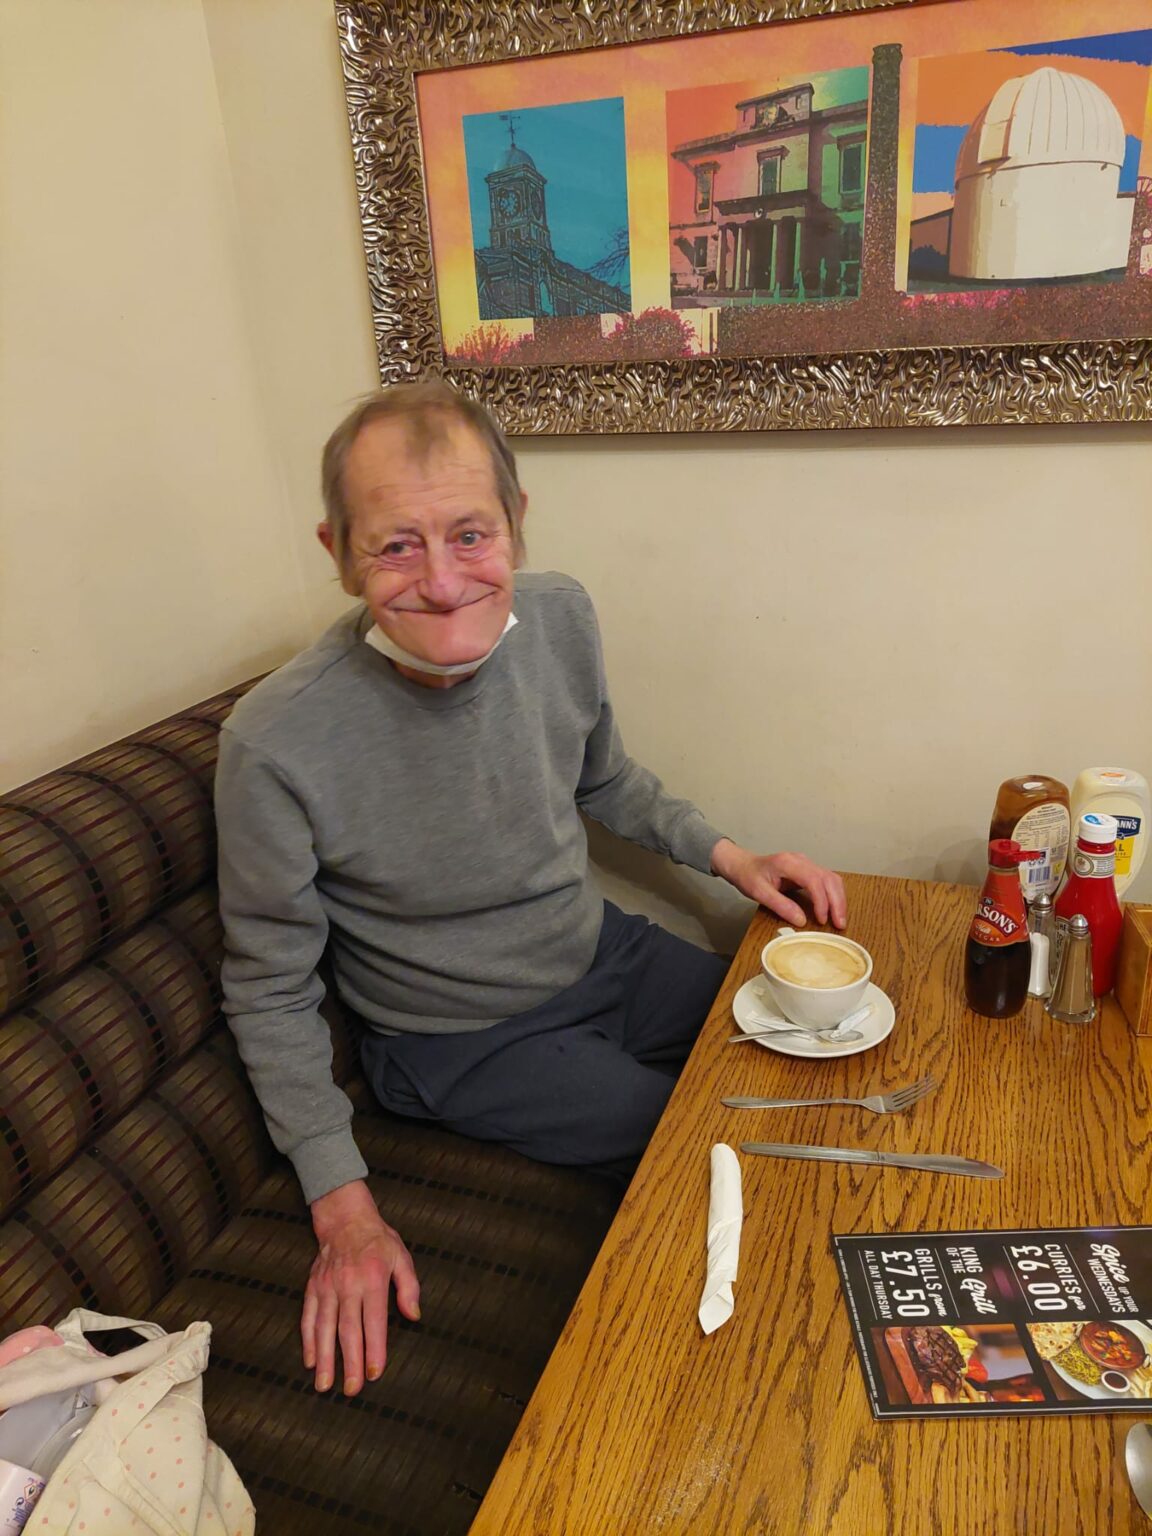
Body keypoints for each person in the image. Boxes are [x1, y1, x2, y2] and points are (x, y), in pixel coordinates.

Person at [215, 380, 846, 1401]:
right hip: (462, 1041)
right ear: (339, 553)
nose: (442, 582)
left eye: (470, 534)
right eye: (395, 546)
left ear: (516, 521)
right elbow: (268, 986)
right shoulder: (274, 742)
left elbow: (604, 779)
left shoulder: (560, 616)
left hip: (604, 953)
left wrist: (734, 857)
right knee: (723, 1151)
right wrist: (345, 1211)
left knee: (823, 1040)